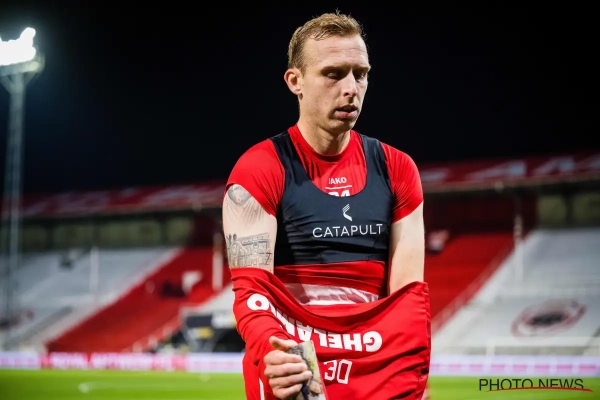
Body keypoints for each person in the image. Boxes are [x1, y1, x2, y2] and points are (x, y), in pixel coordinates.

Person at [223, 11, 430, 399]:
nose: (351, 88)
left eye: (360, 74)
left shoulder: (398, 168)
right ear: (295, 81)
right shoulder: (259, 169)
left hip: (372, 368)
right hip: (292, 364)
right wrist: (272, 351)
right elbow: (251, 290)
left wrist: (412, 374)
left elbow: (407, 299)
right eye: (333, 74)